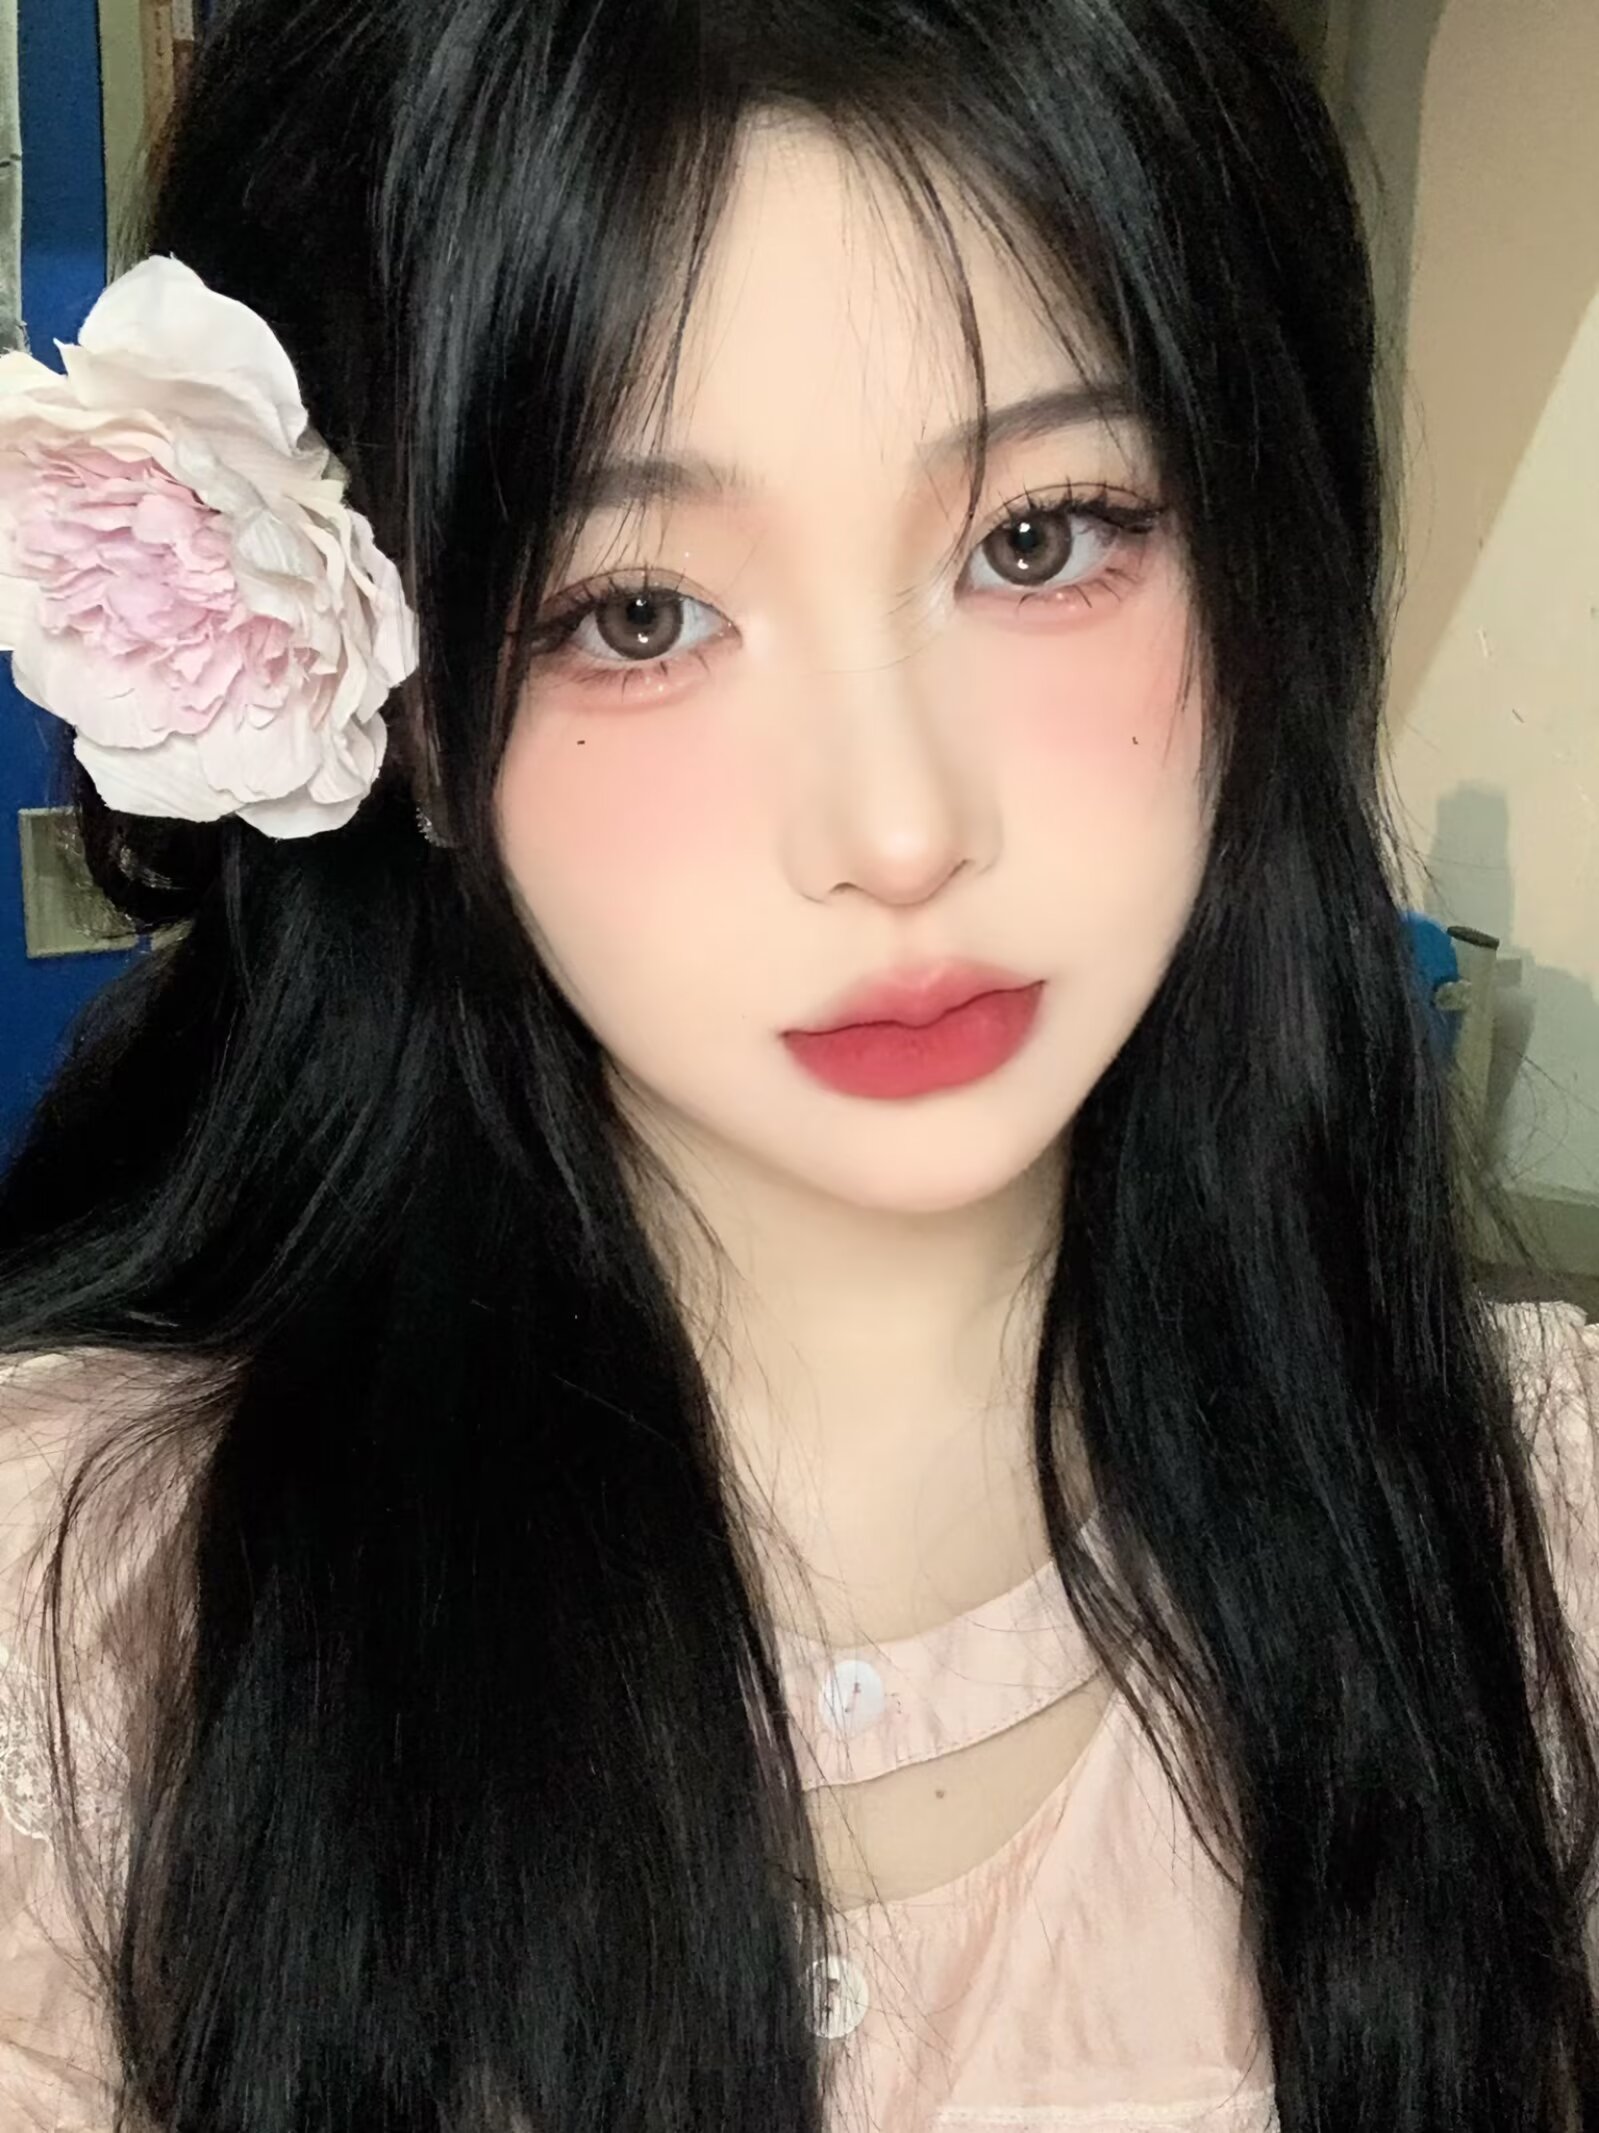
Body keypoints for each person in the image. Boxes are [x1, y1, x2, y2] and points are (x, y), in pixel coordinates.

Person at [0, 0, 1595, 2127]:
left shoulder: (1539, 1539)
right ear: (402, 717)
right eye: (637, 612)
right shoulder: (80, 1642)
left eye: (1040, 537)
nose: (897, 831)